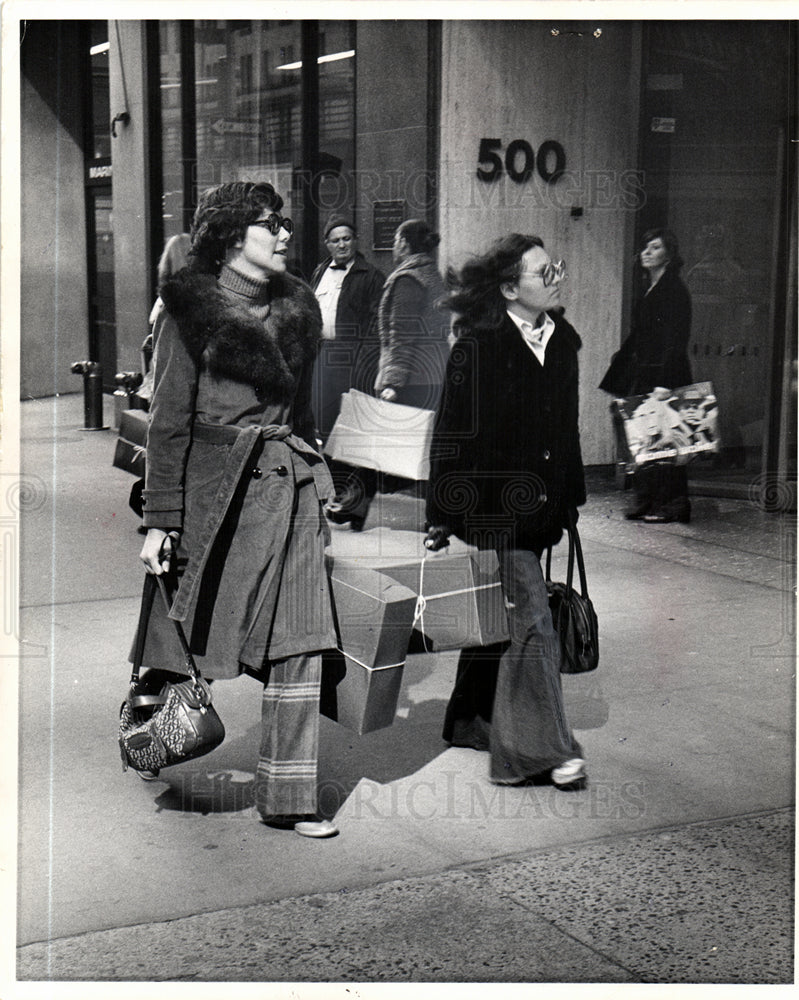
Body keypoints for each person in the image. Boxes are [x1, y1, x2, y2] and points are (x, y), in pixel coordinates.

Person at [134, 181, 339, 838]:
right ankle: (151, 730)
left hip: (287, 485)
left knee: (301, 640)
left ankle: (290, 797)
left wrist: (317, 477)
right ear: (229, 236)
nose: (284, 233)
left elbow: (304, 412)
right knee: (187, 640)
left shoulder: (298, 308)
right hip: (213, 495)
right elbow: (166, 424)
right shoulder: (186, 314)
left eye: (283, 222)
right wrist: (161, 520)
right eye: (269, 223)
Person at [425, 233, 587, 789]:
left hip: (545, 504)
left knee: (505, 614)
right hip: (494, 504)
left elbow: (567, 430)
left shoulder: (562, 341)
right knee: (534, 622)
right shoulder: (479, 346)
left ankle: (469, 719)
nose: (553, 277)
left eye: (554, 268)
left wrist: (572, 497)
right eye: (543, 271)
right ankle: (535, 752)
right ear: (508, 287)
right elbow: (451, 432)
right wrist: (442, 512)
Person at [326, 219, 448, 529]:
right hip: (435, 372)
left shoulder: (408, 280)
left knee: (374, 442)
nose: (393, 246)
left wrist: (392, 382)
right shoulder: (434, 276)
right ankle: (439, 516)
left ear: (405, 244)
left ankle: (354, 508)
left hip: (410, 375)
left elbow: (401, 333)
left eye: (396, 240)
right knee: (433, 446)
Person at [599, 228, 693, 523]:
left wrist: (666, 382)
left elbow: (676, 339)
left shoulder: (675, 290)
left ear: (669, 255)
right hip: (646, 372)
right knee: (644, 437)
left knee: (667, 439)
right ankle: (647, 498)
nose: (646, 253)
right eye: (645, 248)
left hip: (665, 374)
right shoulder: (649, 288)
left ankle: (673, 503)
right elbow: (639, 336)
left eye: (655, 248)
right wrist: (620, 374)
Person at [309, 216, 385, 440]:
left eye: (346, 239)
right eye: (335, 241)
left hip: (351, 361)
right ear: (327, 244)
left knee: (349, 428)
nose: (341, 245)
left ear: (356, 240)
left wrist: (364, 366)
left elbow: (376, 327)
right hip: (321, 357)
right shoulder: (319, 272)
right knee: (321, 420)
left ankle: (346, 473)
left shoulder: (372, 276)